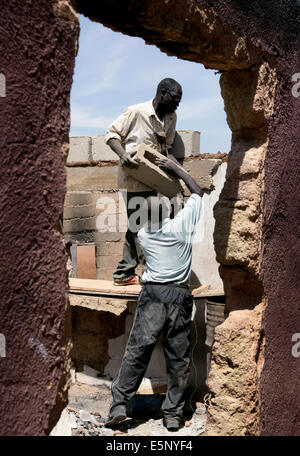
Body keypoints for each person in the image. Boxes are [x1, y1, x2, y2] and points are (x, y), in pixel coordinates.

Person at [105, 158, 206, 431]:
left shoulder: (143, 235)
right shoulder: (182, 228)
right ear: (169, 213)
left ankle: (118, 406)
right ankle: (173, 414)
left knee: (137, 353)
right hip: (177, 297)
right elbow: (197, 192)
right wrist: (177, 171)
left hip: (152, 295)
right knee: (178, 357)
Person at [104, 78, 182, 286]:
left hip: (153, 179)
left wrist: (178, 174)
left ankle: (125, 273)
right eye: (175, 99)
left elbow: (168, 148)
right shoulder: (137, 112)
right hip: (133, 178)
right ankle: (146, 272)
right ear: (162, 93)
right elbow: (112, 134)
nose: (177, 104)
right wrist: (122, 155)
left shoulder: (171, 118)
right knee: (144, 223)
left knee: (142, 224)